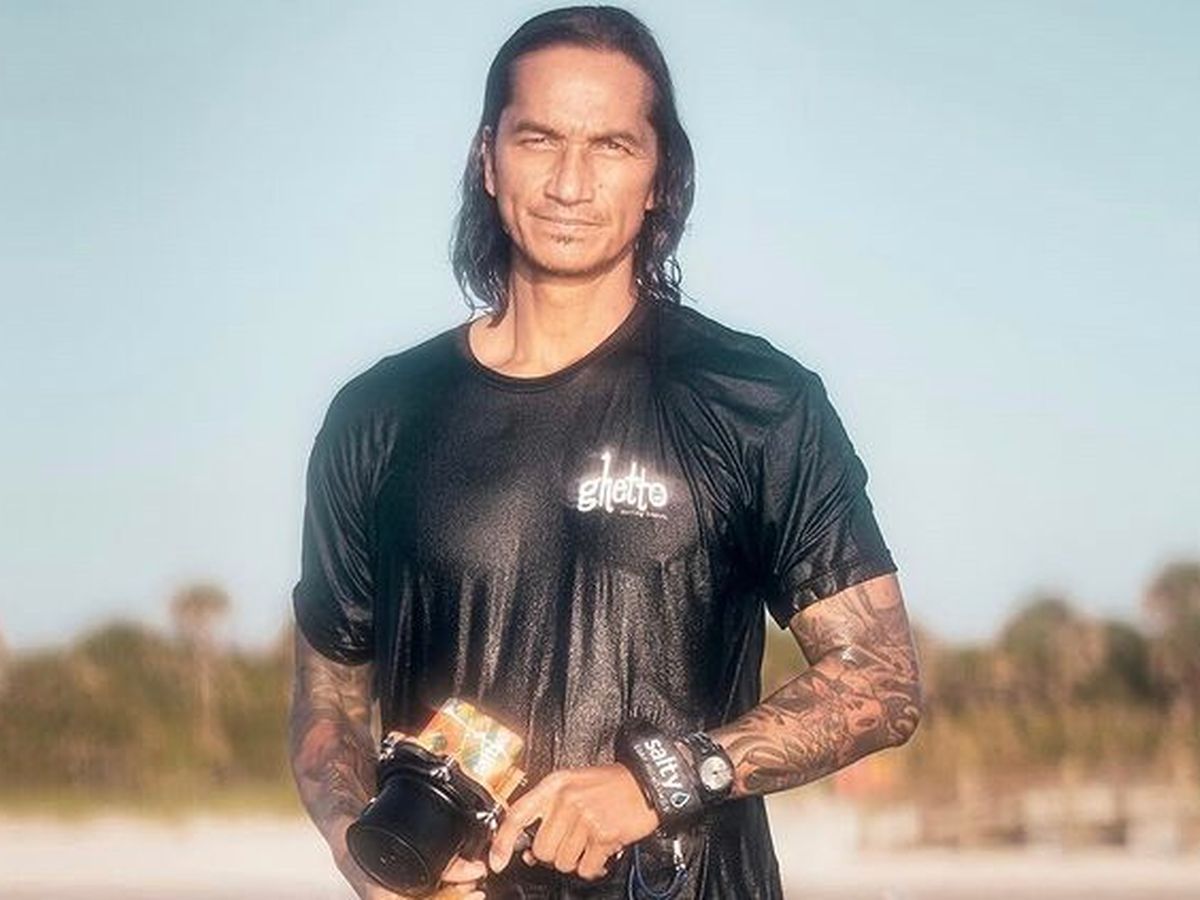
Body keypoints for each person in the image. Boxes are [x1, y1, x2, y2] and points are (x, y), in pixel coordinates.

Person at [288, 6, 922, 899]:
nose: (570, 183)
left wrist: (660, 781)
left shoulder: (755, 399)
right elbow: (328, 697)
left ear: (662, 175)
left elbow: (882, 681)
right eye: (539, 139)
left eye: (612, 146)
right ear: (487, 158)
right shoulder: (378, 415)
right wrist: (361, 848)